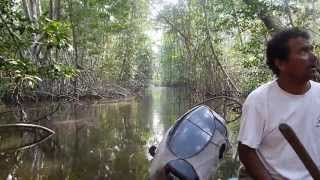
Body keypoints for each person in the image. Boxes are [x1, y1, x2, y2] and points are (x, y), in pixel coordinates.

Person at [238, 28, 320, 180]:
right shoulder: (259, 100)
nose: (314, 57)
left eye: (311, 50)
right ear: (281, 63)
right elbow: (246, 151)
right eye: (303, 52)